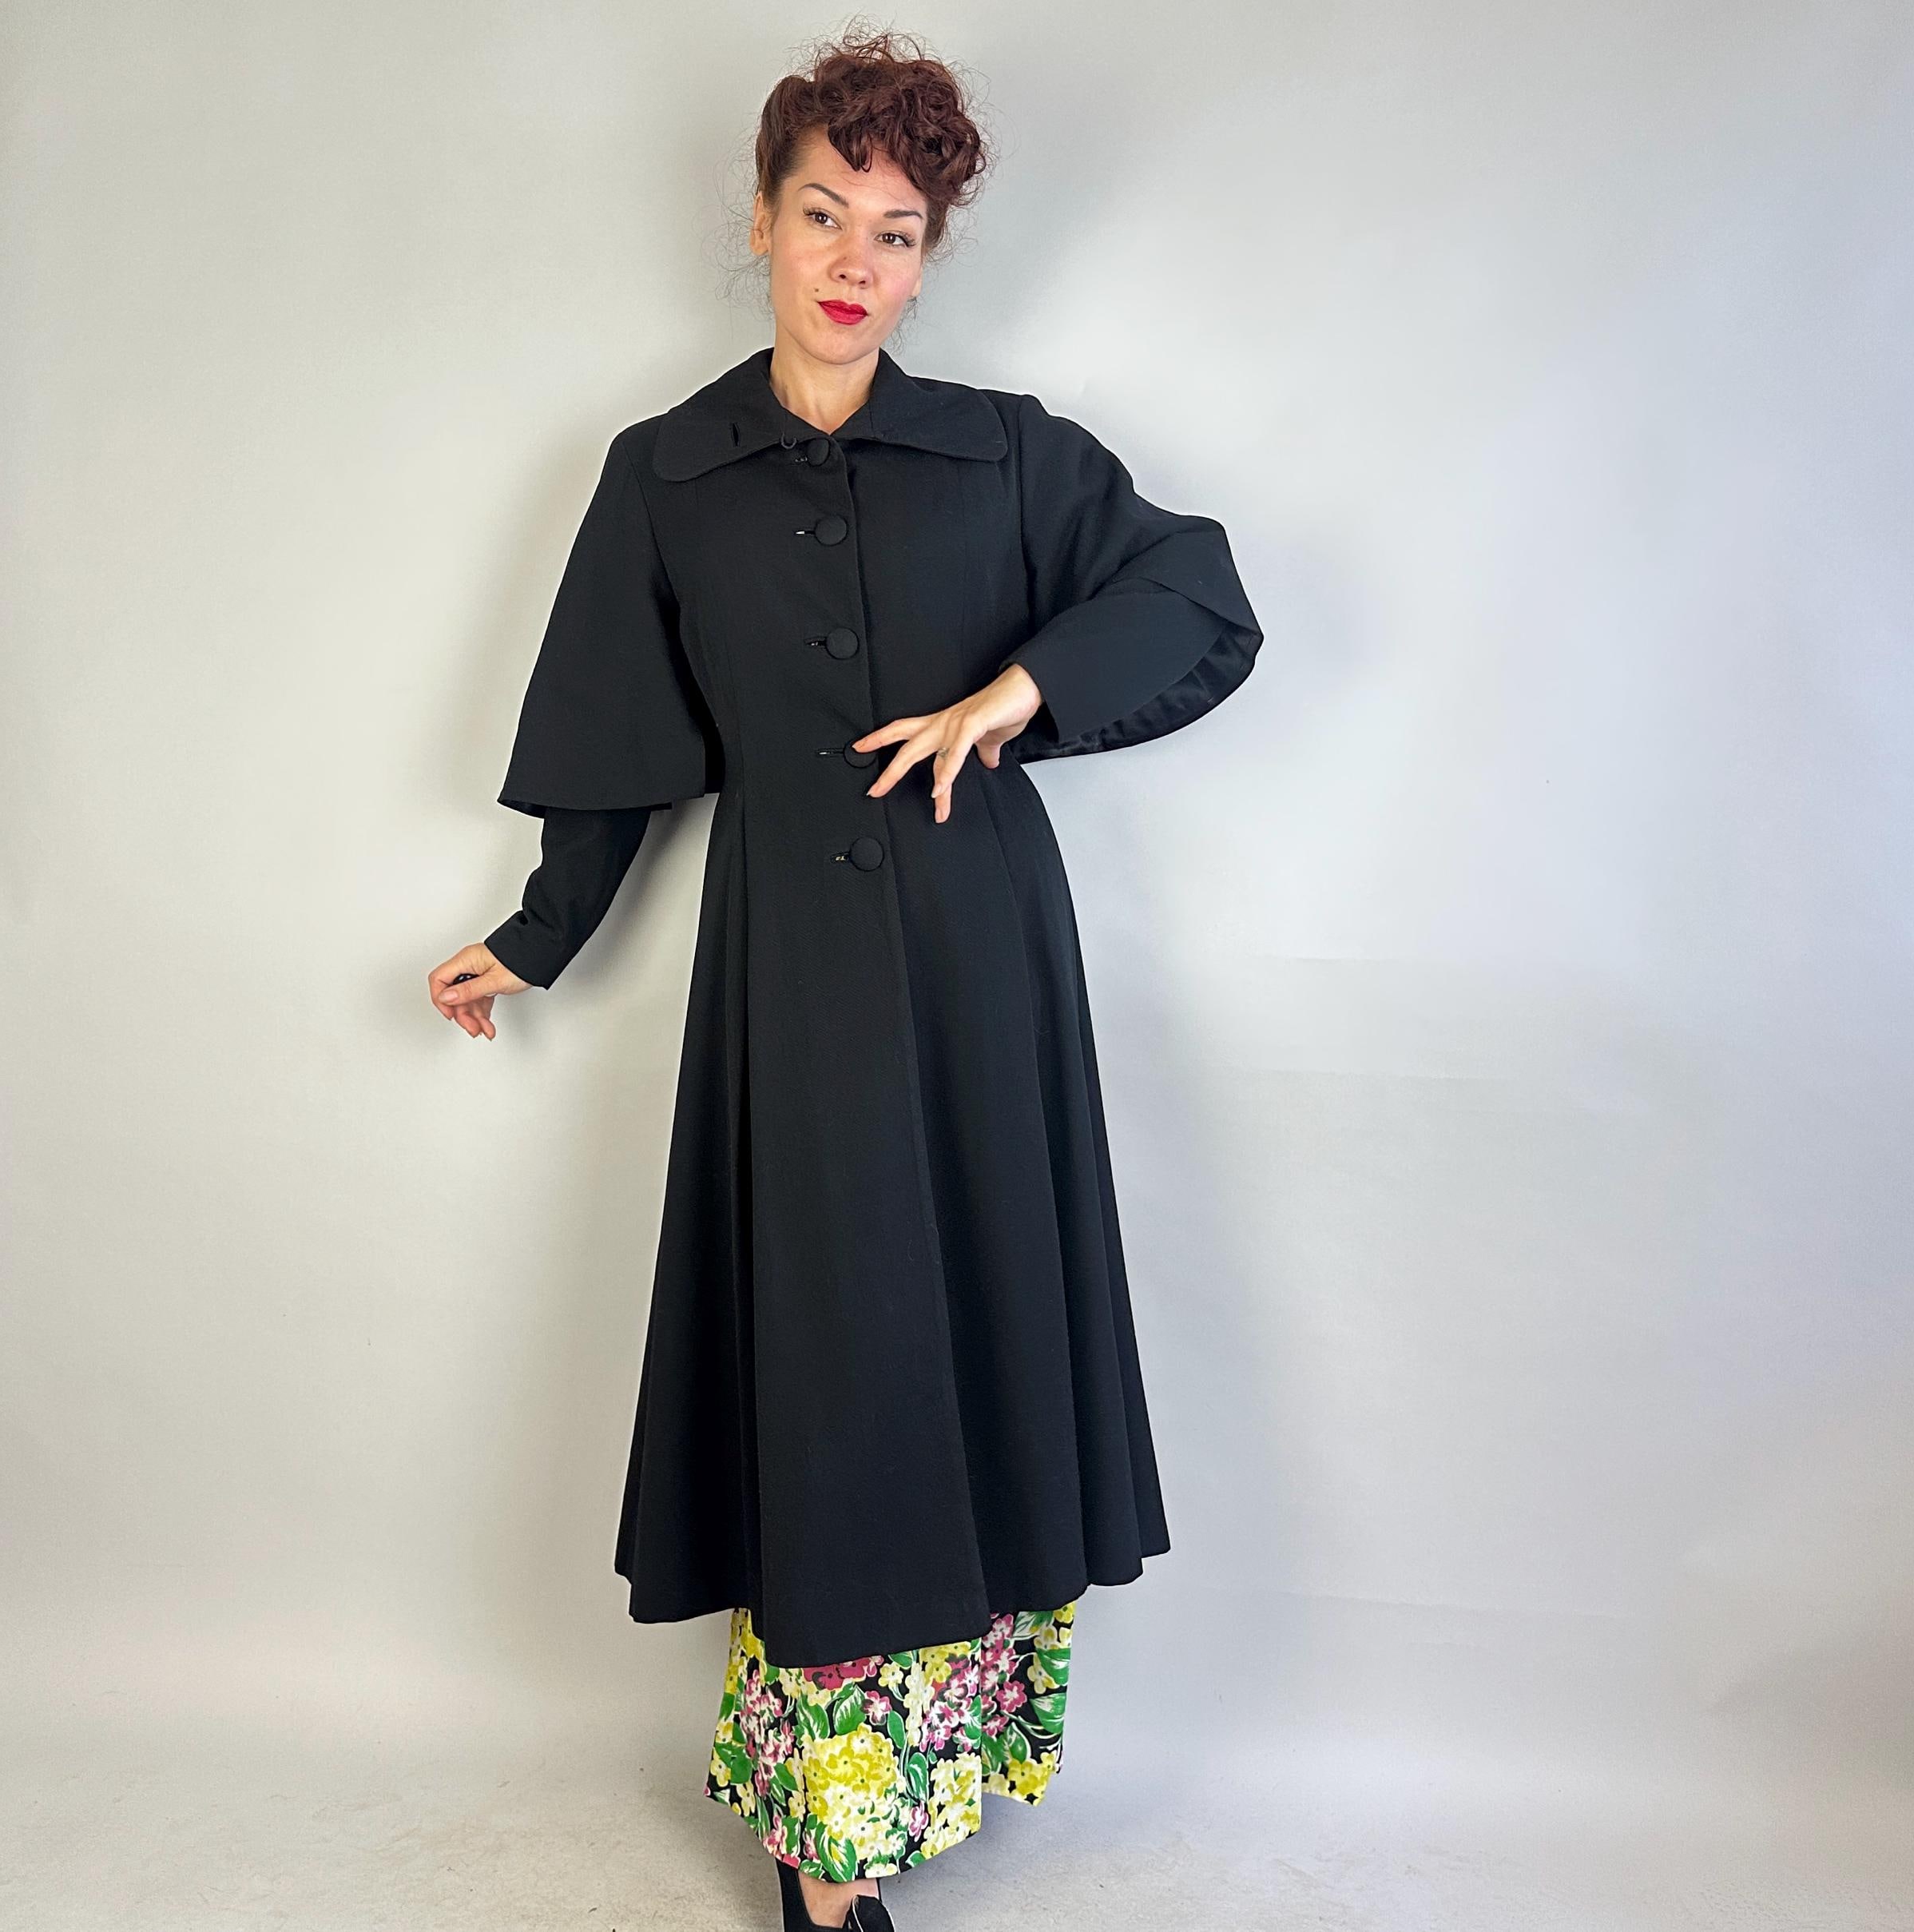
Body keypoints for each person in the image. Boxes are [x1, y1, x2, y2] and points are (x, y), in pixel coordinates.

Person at [429, 27, 1264, 1931]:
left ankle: (940, 1768)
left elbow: (1196, 590)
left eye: (895, 232)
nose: (855, 261)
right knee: (833, 1363)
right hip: (793, 974)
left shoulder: (1007, 452)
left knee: (972, 1333)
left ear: (927, 255)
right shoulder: (666, 476)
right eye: (825, 213)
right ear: (761, 216)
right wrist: (537, 935)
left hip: (985, 967)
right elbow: (616, 740)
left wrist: (1017, 690)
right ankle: (828, 1852)